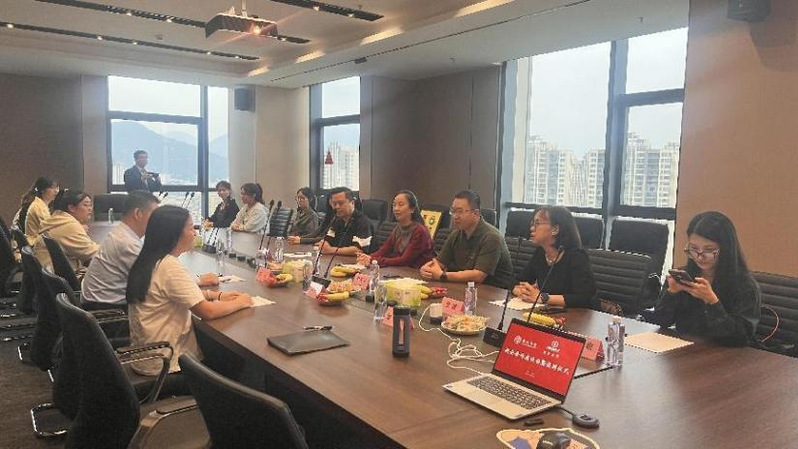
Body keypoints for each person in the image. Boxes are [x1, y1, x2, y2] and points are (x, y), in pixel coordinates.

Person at [126, 206, 253, 376]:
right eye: (191, 228)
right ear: (175, 234)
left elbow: (172, 295)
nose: (195, 233)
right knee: (235, 356)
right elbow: (207, 312)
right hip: (166, 365)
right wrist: (242, 302)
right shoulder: (169, 266)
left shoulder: (150, 259)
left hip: (145, 357)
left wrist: (214, 295)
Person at [641, 211, 760, 347]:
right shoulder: (684, 276)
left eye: (709, 250)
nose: (699, 256)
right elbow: (661, 322)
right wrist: (671, 293)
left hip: (725, 355)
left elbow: (740, 339)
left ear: (725, 249)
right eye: (694, 248)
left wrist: (712, 302)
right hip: (687, 350)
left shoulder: (744, 286)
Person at [81, 191, 160, 309]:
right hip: (105, 309)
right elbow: (159, 282)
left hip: (95, 300)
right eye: (154, 215)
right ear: (138, 213)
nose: (157, 220)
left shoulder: (121, 232)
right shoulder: (127, 243)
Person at [420, 190, 513, 288]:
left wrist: (443, 275)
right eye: (453, 211)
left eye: (460, 211)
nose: (455, 216)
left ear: (476, 213)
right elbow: (438, 263)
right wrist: (427, 269)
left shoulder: (492, 237)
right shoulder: (456, 234)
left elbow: (478, 276)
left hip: (494, 291)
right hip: (466, 288)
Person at [512, 206, 597, 309]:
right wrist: (520, 290)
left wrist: (542, 297)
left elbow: (584, 297)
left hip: (579, 315)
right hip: (550, 312)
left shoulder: (577, 257)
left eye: (537, 223)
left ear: (555, 229)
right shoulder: (540, 253)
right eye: (532, 224)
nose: (532, 228)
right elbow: (519, 280)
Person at [357, 190, 434, 268]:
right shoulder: (398, 228)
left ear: (412, 209)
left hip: (416, 272)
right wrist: (367, 257)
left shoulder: (420, 231)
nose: (396, 208)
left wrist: (373, 259)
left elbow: (404, 260)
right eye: (394, 205)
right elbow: (383, 250)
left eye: (401, 205)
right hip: (401, 270)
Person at [32, 189, 99, 274]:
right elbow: (91, 252)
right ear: (71, 208)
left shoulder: (58, 218)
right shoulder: (69, 225)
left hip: (49, 274)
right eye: (85, 205)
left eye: (90, 205)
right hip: (61, 277)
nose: (90, 209)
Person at [317, 187, 372, 255]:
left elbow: (358, 250)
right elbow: (327, 239)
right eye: (334, 204)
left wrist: (330, 250)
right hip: (339, 259)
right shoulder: (337, 220)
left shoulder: (363, 222)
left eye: (341, 203)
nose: (337, 207)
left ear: (352, 202)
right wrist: (324, 244)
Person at [14, 177, 59, 245]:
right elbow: (50, 231)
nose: (56, 191)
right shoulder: (38, 207)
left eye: (57, 188)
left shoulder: (41, 204)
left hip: (36, 243)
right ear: (42, 190)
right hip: (35, 245)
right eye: (52, 188)